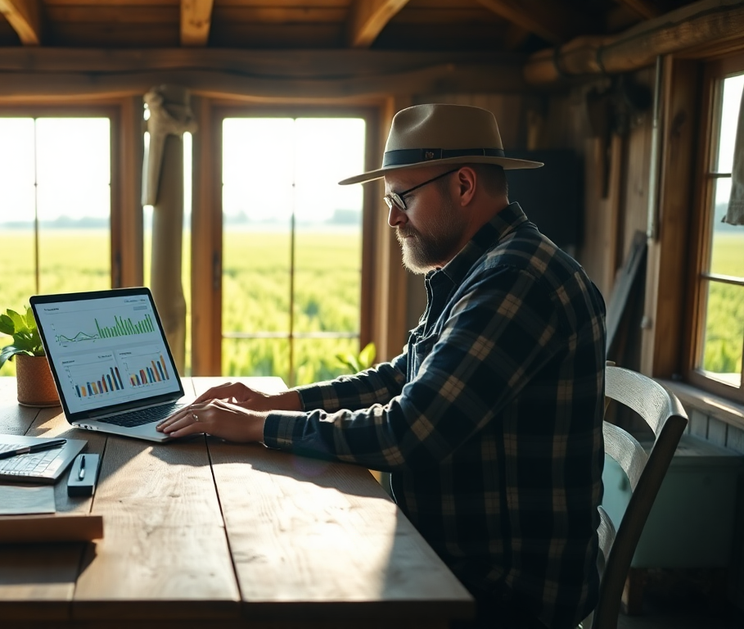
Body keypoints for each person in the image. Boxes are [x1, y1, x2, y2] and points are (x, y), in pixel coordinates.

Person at [157, 103, 606, 629]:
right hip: (447, 554)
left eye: (404, 198)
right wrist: (278, 401)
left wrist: (256, 427)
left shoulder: (516, 279)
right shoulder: (484, 267)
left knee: (272, 581)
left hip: (498, 591)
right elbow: (405, 375)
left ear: (463, 185)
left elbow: (409, 432)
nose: (393, 218)